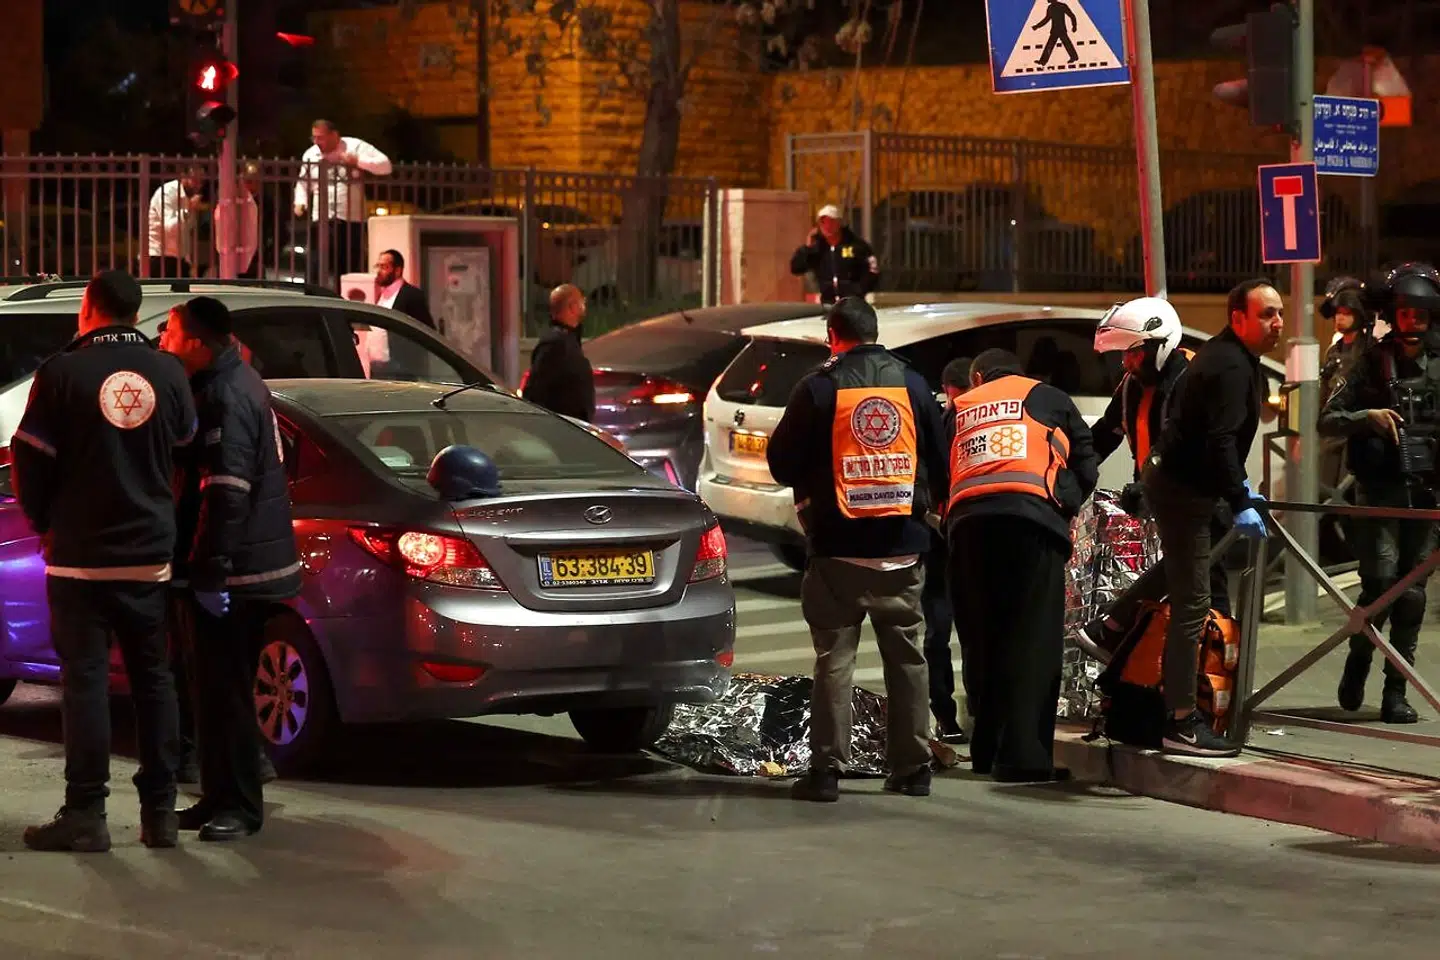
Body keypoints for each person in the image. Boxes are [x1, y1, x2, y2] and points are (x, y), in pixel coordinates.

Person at [11, 270, 197, 852]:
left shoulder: (63, 371)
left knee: (87, 683)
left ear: (88, 307)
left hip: (80, 559)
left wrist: (44, 522)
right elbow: (186, 451)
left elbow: (28, 458)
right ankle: (160, 813)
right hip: (149, 556)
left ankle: (87, 813)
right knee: (154, 682)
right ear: (136, 312)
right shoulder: (168, 371)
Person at [766, 297, 948, 802]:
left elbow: (781, 462)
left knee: (834, 659)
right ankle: (913, 769)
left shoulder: (819, 387)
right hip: (903, 546)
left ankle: (826, 772)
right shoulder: (913, 384)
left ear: (833, 334)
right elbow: (939, 455)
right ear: (875, 332)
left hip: (837, 548)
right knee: (908, 659)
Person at [160, 296, 302, 841]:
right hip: (232, 569)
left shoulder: (226, 395)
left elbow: (227, 492)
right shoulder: (227, 382)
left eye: (171, 332)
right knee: (210, 694)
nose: (164, 342)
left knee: (228, 695)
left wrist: (212, 571)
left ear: (197, 341)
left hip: (240, 575)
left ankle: (241, 806)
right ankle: (217, 796)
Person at [1144, 278, 1282, 757]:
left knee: (1184, 569)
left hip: (1178, 484)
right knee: (1193, 605)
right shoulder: (1228, 365)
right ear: (1238, 317)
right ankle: (1181, 722)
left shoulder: (1232, 357)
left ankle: (1111, 625)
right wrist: (1239, 499)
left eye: (1279, 313)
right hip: (1184, 491)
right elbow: (1221, 440)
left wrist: (1236, 491)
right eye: (1267, 314)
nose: (1278, 323)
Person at [946, 349, 1098, 782]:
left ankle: (986, 751)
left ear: (978, 377)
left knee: (983, 639)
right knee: (1032, 640)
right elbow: (1086, 462)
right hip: (1031, 525)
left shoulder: (961, 406)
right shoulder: (1049, 396)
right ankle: (1024, 758)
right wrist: (1062, 503)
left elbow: (941, 470)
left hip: (970, 528)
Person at [1317, 263, 1440, 724]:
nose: (1413, 322)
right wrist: (1367, 416)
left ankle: (1395, 692)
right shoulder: (1370, 361)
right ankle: (1358, 660)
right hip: (1380, 492)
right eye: (1405, 314)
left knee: (1412, 595)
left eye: (1421, 314)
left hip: (1427, 496)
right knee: (1381, 585)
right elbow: (1327, 419)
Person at [1077, 297, 1232, 659]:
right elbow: (1106, 434)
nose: (1126, 362)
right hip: (1163, 499)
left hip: (1202, 496)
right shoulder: (1133, 384)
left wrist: (1150, 483)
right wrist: (1074, 474)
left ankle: (1216, 669)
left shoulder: (1193, 379)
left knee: (1204, 578)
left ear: (1159, 345)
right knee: (1189, 584)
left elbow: (1197, 445)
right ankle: (1190, 674)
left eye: (1133, 353)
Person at [921, 355, 973, 742]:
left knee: (945, 632)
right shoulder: (941, 421)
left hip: (954, 538)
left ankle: (953, 716)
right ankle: (949, 715)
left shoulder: (949, 420)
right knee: (947, 632)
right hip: (948, 539)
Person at [293, 119, 393, 284]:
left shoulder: (355, 146)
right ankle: (314, 299)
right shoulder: (311, 154)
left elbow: (385, 166)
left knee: (348, 269)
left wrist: (358, 162)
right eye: (314, 138)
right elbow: (304, 182)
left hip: (351, 219)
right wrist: (300, 202)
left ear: (334, 135)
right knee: (316, 265)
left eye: (321, 138)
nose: (317, 142)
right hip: (322, 218)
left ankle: (346, 302)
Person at [1318, 277, 1372, 499]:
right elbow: (1325, 389)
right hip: (1332, 430)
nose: (1340, 317)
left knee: (1349, 493)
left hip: (1355, 430)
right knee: (1324, 491)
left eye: (1347, 312)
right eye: (1338, 312)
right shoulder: (1334, 351)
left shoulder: (1369, 351)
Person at [523, 283, 595, 422]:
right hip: (562, 429)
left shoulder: (569, 340)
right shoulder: (554, 344)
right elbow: (536, 392)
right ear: (572, 306)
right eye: (582, 301)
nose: (584, 305)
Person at [789, 204, 880, 305]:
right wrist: (807, 248)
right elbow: (796, 268)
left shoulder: (857, 246)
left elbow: (873, 270)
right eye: (823, 222)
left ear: (840, 223)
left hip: (853, 304)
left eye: (831, 221)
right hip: (828, 305)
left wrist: (859, 290)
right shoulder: (817, 249)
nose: (827, 226)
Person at [148, 165, 210, 278]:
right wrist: (188, 210)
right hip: (160, 257)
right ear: (183, 176)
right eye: (195, 180)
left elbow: (186, 232)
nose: (198, 185)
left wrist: (188, 261)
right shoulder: (168, 193)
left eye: (201, 181)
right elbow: (168, 227)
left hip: (179, 258)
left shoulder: (188, 197)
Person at [212, 160, 261, 280]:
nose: (252, 185)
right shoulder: (230, 200)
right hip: (229, 255)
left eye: (256, 181)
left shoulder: (266, 201)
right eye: (248, 181)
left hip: (255, 258)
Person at [374, 249, 436, 329]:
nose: (378, 271)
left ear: (397, 271)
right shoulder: (380, 294)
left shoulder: (412, 295)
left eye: (384, 267)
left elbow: (427, 330)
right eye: (377, 266)